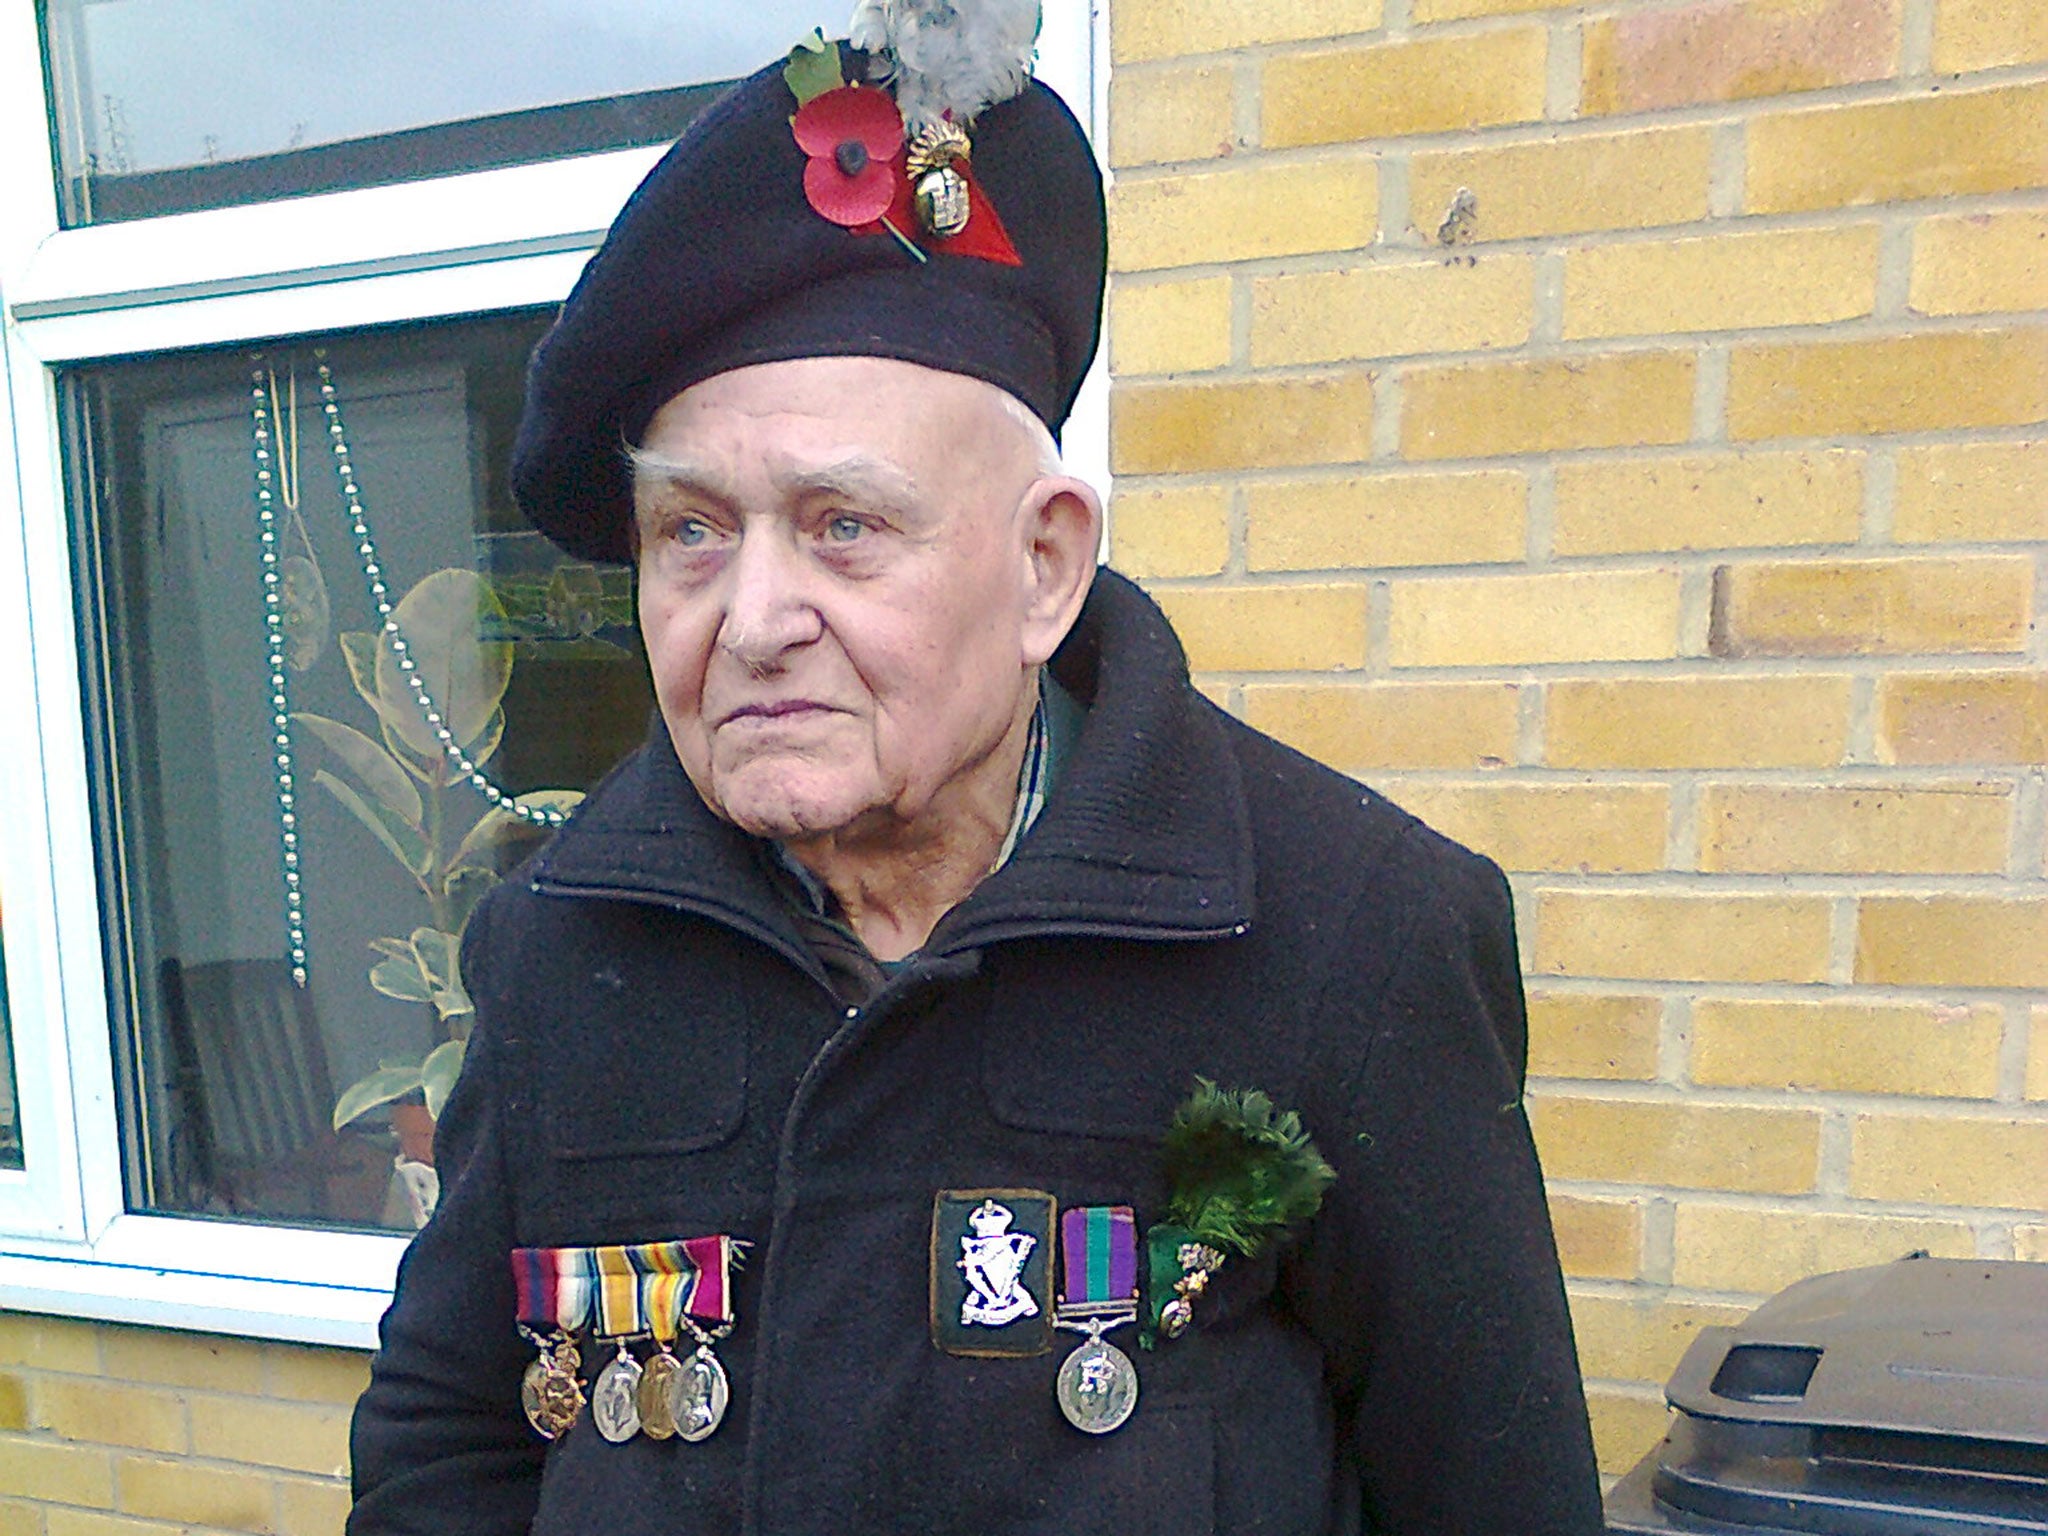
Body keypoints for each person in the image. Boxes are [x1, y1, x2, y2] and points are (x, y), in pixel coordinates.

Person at [347, 6, 1603, 1533]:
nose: (750, 620)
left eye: (842, 527)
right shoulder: (558, 947)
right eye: (691, 530)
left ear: (1044, 567)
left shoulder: (1355, 936)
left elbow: (1493, 1497)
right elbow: (450, 1452)